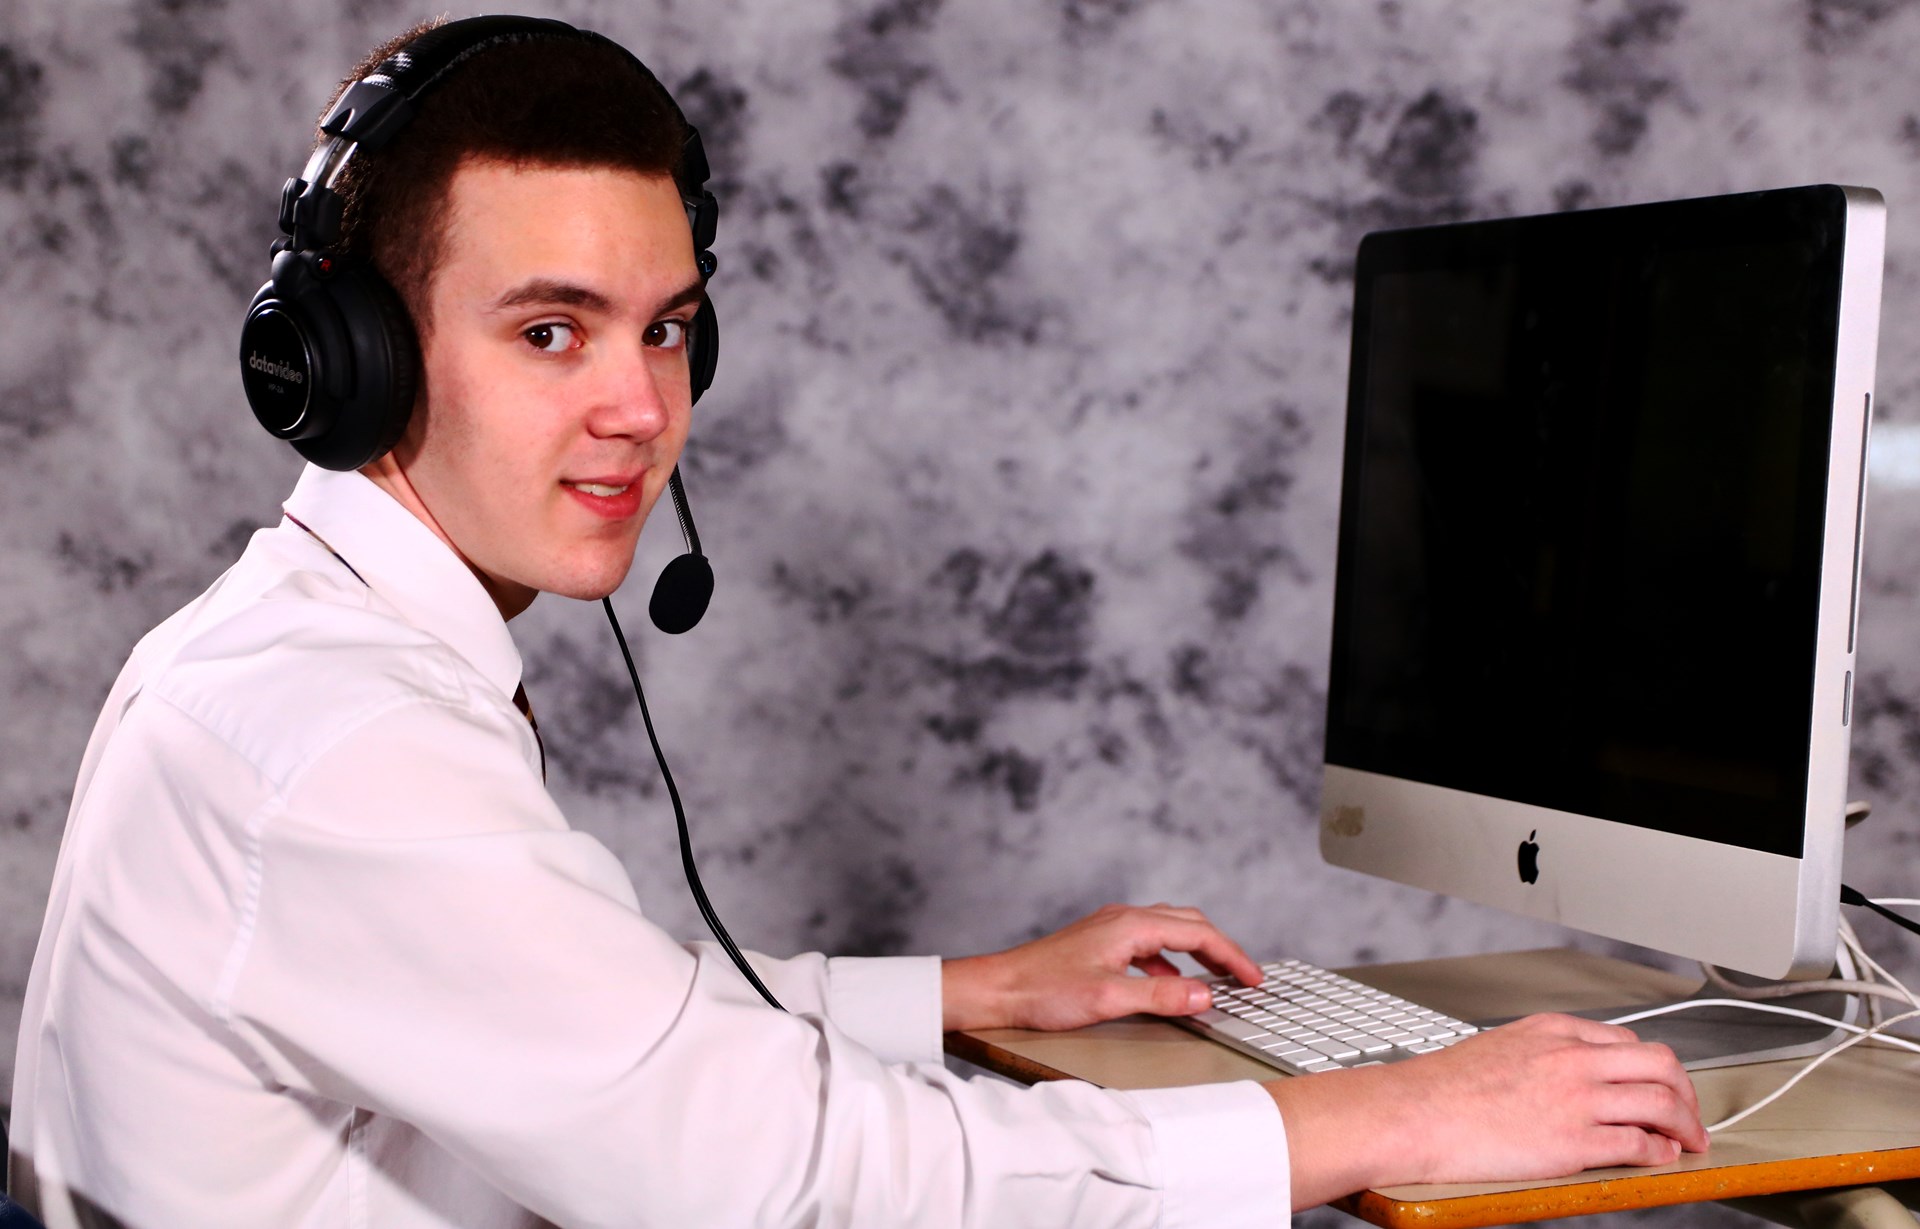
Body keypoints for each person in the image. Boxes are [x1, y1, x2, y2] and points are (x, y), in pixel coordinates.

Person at [9, 17, 1707, 1229]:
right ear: (349, 356)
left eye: (667, 329)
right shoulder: (339, 744)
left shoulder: (300, 653)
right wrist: (1353, 1119)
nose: (637, 410)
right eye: (550, 332)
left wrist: (966, 989)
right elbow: (785, 1184)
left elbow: (588, 1017)